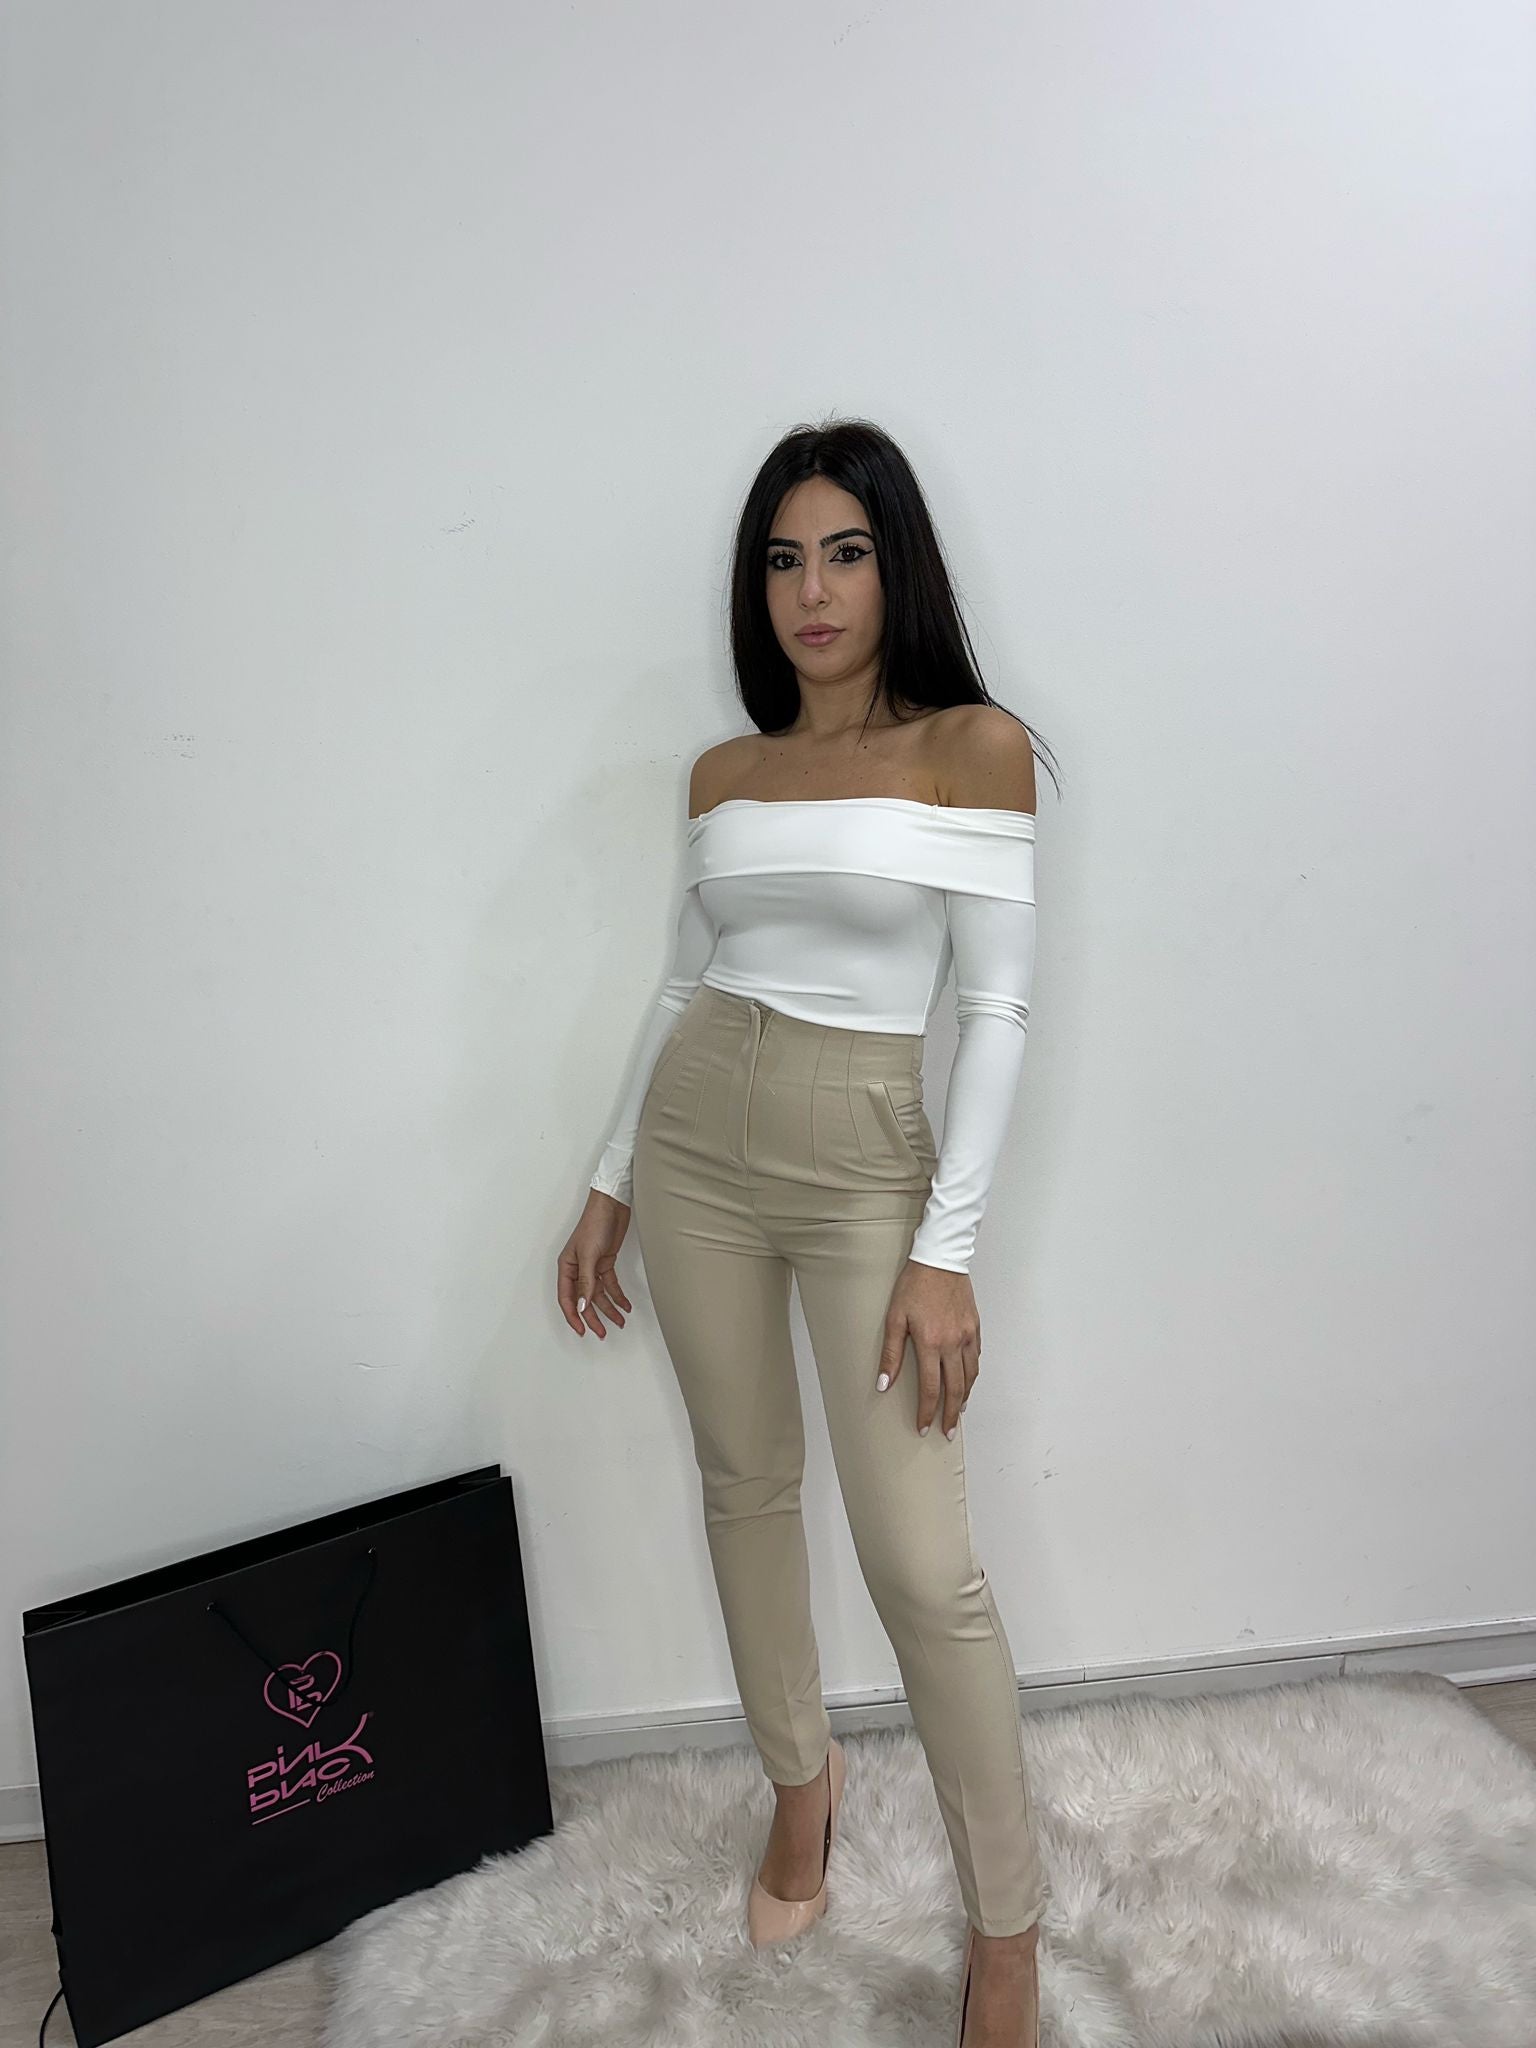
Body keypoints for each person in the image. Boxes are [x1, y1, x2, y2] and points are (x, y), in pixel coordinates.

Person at [557, 416, 1060, 2048]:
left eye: (845, 552)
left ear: (895, 564)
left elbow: (996, 1012)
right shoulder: (726, 775)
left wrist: (947, 1248)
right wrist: (612, 1178)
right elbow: (680, 983)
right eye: (784, 559)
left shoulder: (972, 748)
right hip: (698, 1139)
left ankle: (1006, 1929)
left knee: (921, 1563)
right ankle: (802, 1787)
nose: (812, 590)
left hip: (864, 1163)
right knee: (745, 1485)